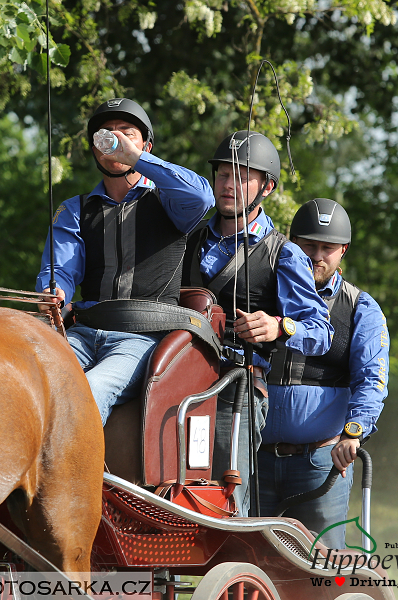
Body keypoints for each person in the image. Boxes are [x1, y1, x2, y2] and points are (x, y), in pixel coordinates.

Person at [181, 130, 333, 516]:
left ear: (266, 187)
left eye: (241, 175)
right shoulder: (188, 238)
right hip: (179, 382)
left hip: (238, 389)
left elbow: (320, 331)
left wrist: (281, 327)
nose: (228, 184)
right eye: (221, 174)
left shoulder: (285, 253)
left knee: (229, 501)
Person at [36, 98, 214, 425]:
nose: (115, 140)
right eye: (106, 134)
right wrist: (55, 292)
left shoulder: (168, 199)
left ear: (145, 144)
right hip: (84, 332)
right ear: (95, 149)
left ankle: (76, 476)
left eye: (126, 133)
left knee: (91, 388)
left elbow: (203, 197)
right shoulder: (75, 209)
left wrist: (135, 158)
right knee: (27, 378)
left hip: (142, 337)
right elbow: (58, 269)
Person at [261, 198, 388, 548]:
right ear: (292, 243)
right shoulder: (264, 293)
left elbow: (371, 381)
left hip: (321, 462)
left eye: (327, 248)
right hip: (253, 457)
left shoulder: (361, 307)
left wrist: (353, 432)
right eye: (308, 245)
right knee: (253, 565)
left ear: (343, 250)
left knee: (320, 571)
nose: (317, 256)